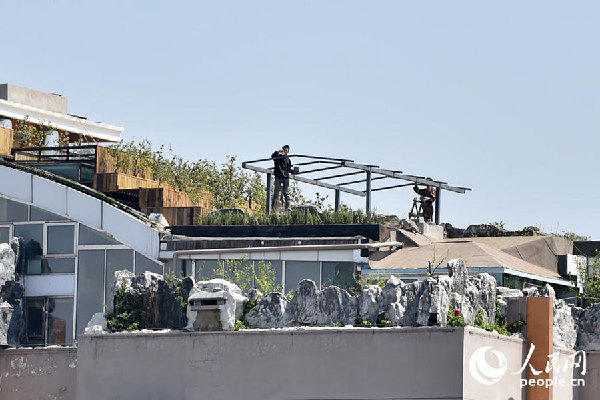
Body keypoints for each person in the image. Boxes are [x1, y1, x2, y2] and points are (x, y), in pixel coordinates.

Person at [271, 145, 294, 211]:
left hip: (285, 177)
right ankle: (272, 207)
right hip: (278, 176)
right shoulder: (278, 157)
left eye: (286, 150)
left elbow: (288, 168)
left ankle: (287, 207)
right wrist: (278, 151)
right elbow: (273, 156)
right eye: (284, 150)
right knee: (276, 193)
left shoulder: (288, 159)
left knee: (286, 192)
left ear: (288, 151)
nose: (285, 151)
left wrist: (293, 171)